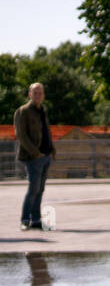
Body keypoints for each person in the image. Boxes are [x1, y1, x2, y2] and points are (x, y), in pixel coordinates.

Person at [15, 83, 55, 231]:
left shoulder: (42, 111)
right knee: (33, 188)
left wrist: (51, 150)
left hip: (46, 155)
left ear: (43, 95)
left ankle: (36, 219)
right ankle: (25, 219)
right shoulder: (23, 111)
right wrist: (35, 153)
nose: (38, 95)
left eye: (40, 93)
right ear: (29, 94)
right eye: (35, 92)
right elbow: (21, 135)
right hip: (33, 157)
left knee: (40, 189)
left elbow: (46, 131)